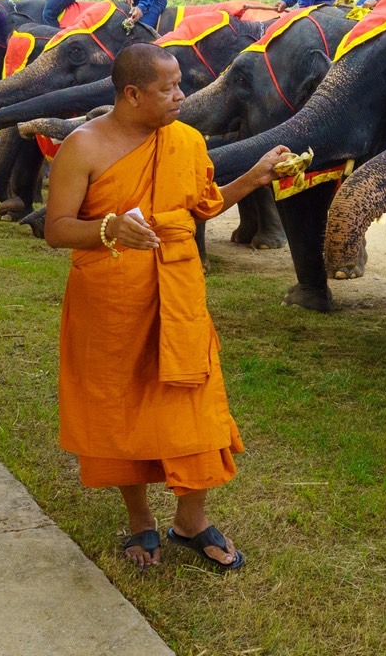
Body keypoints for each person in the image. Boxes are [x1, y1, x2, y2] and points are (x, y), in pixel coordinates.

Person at [43, 43, 289, 570]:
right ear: (132, 94)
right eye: (168, 89)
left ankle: (190, 521)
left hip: (178, 294)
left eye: (180, 84)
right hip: (110, 301)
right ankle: (140, 522)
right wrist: (108, 227)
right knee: (121, 407)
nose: (182, 96)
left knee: (191, 405)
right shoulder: (82, 147)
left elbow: (200, 207)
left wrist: (254, 177)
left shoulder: (186, 140)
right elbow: (57, 229)